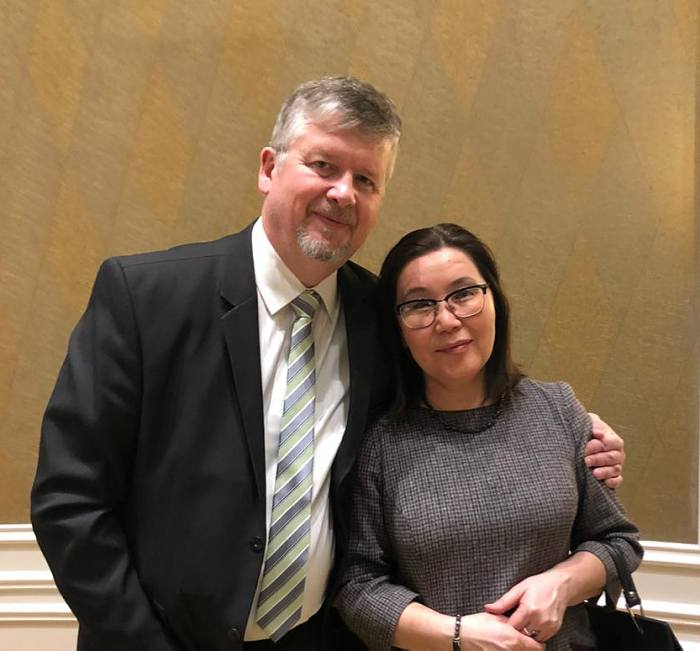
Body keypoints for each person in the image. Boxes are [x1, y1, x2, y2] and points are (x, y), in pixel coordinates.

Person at [30, 77, 625, 651]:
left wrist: (583, 437)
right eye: (324, 166)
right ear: (269, 169)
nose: (344, 192)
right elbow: (70, 501)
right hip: (163, 638)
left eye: (366, 178)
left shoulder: (385, 317)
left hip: (322, 638)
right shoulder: (146, 298)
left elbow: (464, 400)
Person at [336, 223, 642, 651]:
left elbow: (618, 540)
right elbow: (358, 586)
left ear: (494, 300)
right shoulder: (382, 442)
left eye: (463, 294)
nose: (446, 320)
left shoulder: (557, 408)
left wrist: (562, 583)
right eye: (419, 305)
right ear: (400, 331)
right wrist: (459, 636)